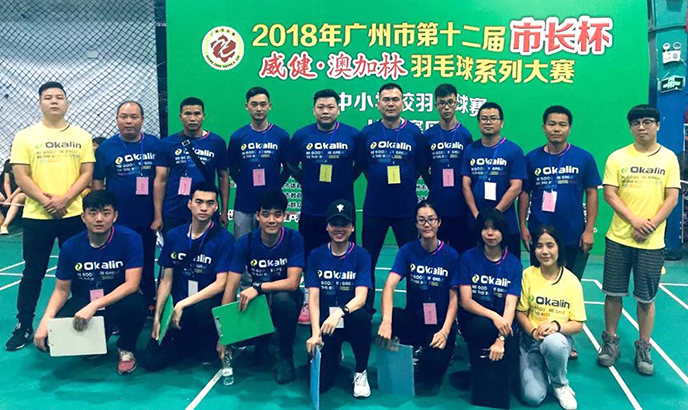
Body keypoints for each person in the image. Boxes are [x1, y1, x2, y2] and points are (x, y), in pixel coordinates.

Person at [6, 82, 94, 351]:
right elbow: (21, 176)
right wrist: (47, 202)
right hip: (37, 216)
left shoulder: (82, 136)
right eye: (48, 97)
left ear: (66, 103)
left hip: (73, 215)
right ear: (40, 103)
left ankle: (81, 326)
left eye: (59, 97)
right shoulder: (25, 137)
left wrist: (65, 199)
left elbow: (86, 174)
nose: (54, 101)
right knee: (33, 273)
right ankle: (23, 325)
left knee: (80, 273)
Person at [598, 105, 680, 376]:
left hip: (651, 243)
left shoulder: (668, 158)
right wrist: (634, 221)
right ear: (630, 127)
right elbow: (610, 194)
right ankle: (610, 342)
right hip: (619, 238)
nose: (641, 127)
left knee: (646, 298)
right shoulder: (617, 157)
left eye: (647, 122)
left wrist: (650, 225)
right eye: (636, 123)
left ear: (657, 125)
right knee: (613, 293)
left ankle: (643, 347)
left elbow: (672, 197)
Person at [32, 190, 146, 374]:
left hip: (117, 300)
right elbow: (61, 290)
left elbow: (132, 284)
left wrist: (94, 306)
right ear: (83, 217)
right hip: (84, 300)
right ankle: (97, 339)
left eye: (106, 213)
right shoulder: (70, 246)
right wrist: (45, 322)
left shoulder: (130, 239)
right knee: (48, 340)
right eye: (93, 213)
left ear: (115, 216)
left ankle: (126, 347)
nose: (99, 219)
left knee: (136, 304)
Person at [141, 182, 235, 370]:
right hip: (178, 308)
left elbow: (221, 283)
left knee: (202, 310)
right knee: (150, 361)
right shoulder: (174, 235)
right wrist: (158, 317)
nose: (204, 208)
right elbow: (166, 279)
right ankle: (185, 341)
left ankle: (203, 341)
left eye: (210, 203)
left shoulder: (224, 239)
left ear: (216, 207)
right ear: (190, 203)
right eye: (199, 202)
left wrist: (183, 303)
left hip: (204, 306)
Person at [288, 89, 362, 324]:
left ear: (338, 109)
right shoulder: (301, 136)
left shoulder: (352, 135)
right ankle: (309, 301)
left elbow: (360, 165)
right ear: (314, 110)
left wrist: (345, 180)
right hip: (311, 209)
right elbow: (290, 163)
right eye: (321, 107)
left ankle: (347, 303)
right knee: (311, 256)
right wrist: (307, 181)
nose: (326, 111)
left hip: (343, 211)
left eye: (330, 107)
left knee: (345, 257)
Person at [221, 190, 304, 384]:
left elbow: (293, 282)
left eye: (277, 215)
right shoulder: (246, 242)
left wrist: (258, 287)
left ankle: (286, 356)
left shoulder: (294, 239)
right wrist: (224, 334)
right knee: (237, 338)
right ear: (257, 216)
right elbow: (231, 287)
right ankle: (262, 341)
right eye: (266, 214)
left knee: (283, 300)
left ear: (285, 216)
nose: (271, 220)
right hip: (258, 301)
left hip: (285, 298)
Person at [377, 200, 459, 393]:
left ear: (439, 222)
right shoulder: (408, 251)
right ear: (415, 223)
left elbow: (455, 298)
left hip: (439, 325)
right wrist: (386, 321)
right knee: (393, 315)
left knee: (429, 377)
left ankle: (432, 352)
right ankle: (414, 348)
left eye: (431, 219)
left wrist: (445, 331)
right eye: (421, 220)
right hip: (415, 320)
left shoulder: (451, 256)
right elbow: (389, 285)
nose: (426, 224)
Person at [359, 83, 425, 306]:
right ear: (378, 104)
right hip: (375, 208)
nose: (390, 104)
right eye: (386, 99)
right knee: (368, 261)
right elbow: (364, 166)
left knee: (413, 263)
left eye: (395, 99)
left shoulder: (414, 132)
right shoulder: (368, 133)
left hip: (406, 209)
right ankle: (365, 310)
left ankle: (415, 311)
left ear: (402, 103)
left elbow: (419, 167)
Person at [93, 101, 163, 310]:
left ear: (142, 119)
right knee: (117, 263)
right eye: (124, 117)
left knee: (147, 261)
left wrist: (158, 216)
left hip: (147, 218)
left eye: (134, 117)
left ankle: (149, 302)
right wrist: (100, 214)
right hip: (118, 219)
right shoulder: (105, 148)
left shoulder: (155, 144)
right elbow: (97, 183)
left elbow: (161, 180)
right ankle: (115, 304)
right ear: (117, 119)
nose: (129, 121)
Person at [519, 105, 601, 280]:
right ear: (544, 127)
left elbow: (592, 193)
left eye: (562, 125)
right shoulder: (531, 158)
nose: (556, 129)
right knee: (540, 282)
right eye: (552, 124)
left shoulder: (584, 158)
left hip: (573, 233)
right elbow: (524, 193)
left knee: (570, 283)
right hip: (539, 232)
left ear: (569, 128)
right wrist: (523, 227)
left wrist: (589, 230)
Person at [305, 199, 372, 397]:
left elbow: (361, 298)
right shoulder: (316, 255)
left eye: (344, 224)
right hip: (326, 325)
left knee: (362, 318)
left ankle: (361, 371)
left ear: (352, 227)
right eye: (334, 224)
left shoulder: (361, 255)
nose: (339, 229)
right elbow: (313, 299)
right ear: (327, 227)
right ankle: (333, 354)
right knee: (320, 385)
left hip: (349, 319)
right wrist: (315, 333)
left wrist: (339, 314)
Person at [516, 225, 586, 410]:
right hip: (531, 340)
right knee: (533, 397)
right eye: (539, 246)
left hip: (558, 340)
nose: (544, 251)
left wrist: (556, 326)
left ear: (559, 248)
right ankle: (543, 367)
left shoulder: (571, 281)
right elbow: (520, 313)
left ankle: (559, 384)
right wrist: (533, 331)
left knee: (554, 343)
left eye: (550, 245)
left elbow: (578, 324)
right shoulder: (527, 275)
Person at [455, 208, 522, 396]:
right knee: (480, 326)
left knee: (514, 382)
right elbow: (466, 301)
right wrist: (494, 316)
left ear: (503, 232)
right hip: (476, 319)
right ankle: (476, 367)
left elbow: (510, 305)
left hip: (504, 324)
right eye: (485, 228)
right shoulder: (468, 258)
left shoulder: (514, 264)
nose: (490, 233)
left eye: (495, 228)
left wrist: (501, 339)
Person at [153, 97, 229, 237]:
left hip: (205, 210)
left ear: (203, 116)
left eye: (197, 113)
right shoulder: (167, 143)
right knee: (175, 249)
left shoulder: (217, 142)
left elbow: (223, 177)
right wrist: (158, 216)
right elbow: (160, 180)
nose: (192, 118)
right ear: (180, 117)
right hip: (174, 211)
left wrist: (224, 211)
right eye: (188, 113)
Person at [461, 102, 526, 259]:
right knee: (474, 265)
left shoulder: (514, 150)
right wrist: (477, 215)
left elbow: (516, 187)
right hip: (475, 222)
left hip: (506, 222)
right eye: (484, 119)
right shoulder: (470, 150)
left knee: (508, 266)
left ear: (501, 122)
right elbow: (465, 185)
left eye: (493, 118)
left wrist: (495, 213)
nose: (488, 122)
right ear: (479, 123)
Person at [227, 86, 290, 241]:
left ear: (270, 106)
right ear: (246, 106)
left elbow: (288, 168)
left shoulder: (281, 135)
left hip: (271, 204)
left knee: (270, 246)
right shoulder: (237, 136)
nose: (259, 109)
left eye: (263, 104)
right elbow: (233, 170)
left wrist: (275, 184)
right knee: (242, 246)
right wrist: (245, 183)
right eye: (254, 104)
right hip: (244, 203)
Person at [420, 84, 474, 254]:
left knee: (460, 253)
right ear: (436, 105)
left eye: (450, 102)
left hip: (460, 206)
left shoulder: (465, 135)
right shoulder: (428, 135)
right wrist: (435, 186)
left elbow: (469, 172)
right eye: (442, 103)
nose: (446, 107)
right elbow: (424, 168)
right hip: (437, 205)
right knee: (437, 253)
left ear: (457, 104)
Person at [0, 159, 25, 235]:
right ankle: (1, 219)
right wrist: (8, 197)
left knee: (16, 199)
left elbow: (22, 184)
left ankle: (5, 225)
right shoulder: (8, 163)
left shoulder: (24, 164)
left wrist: (10, 198)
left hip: (23, 191)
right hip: (9, 192)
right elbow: (6, 183)